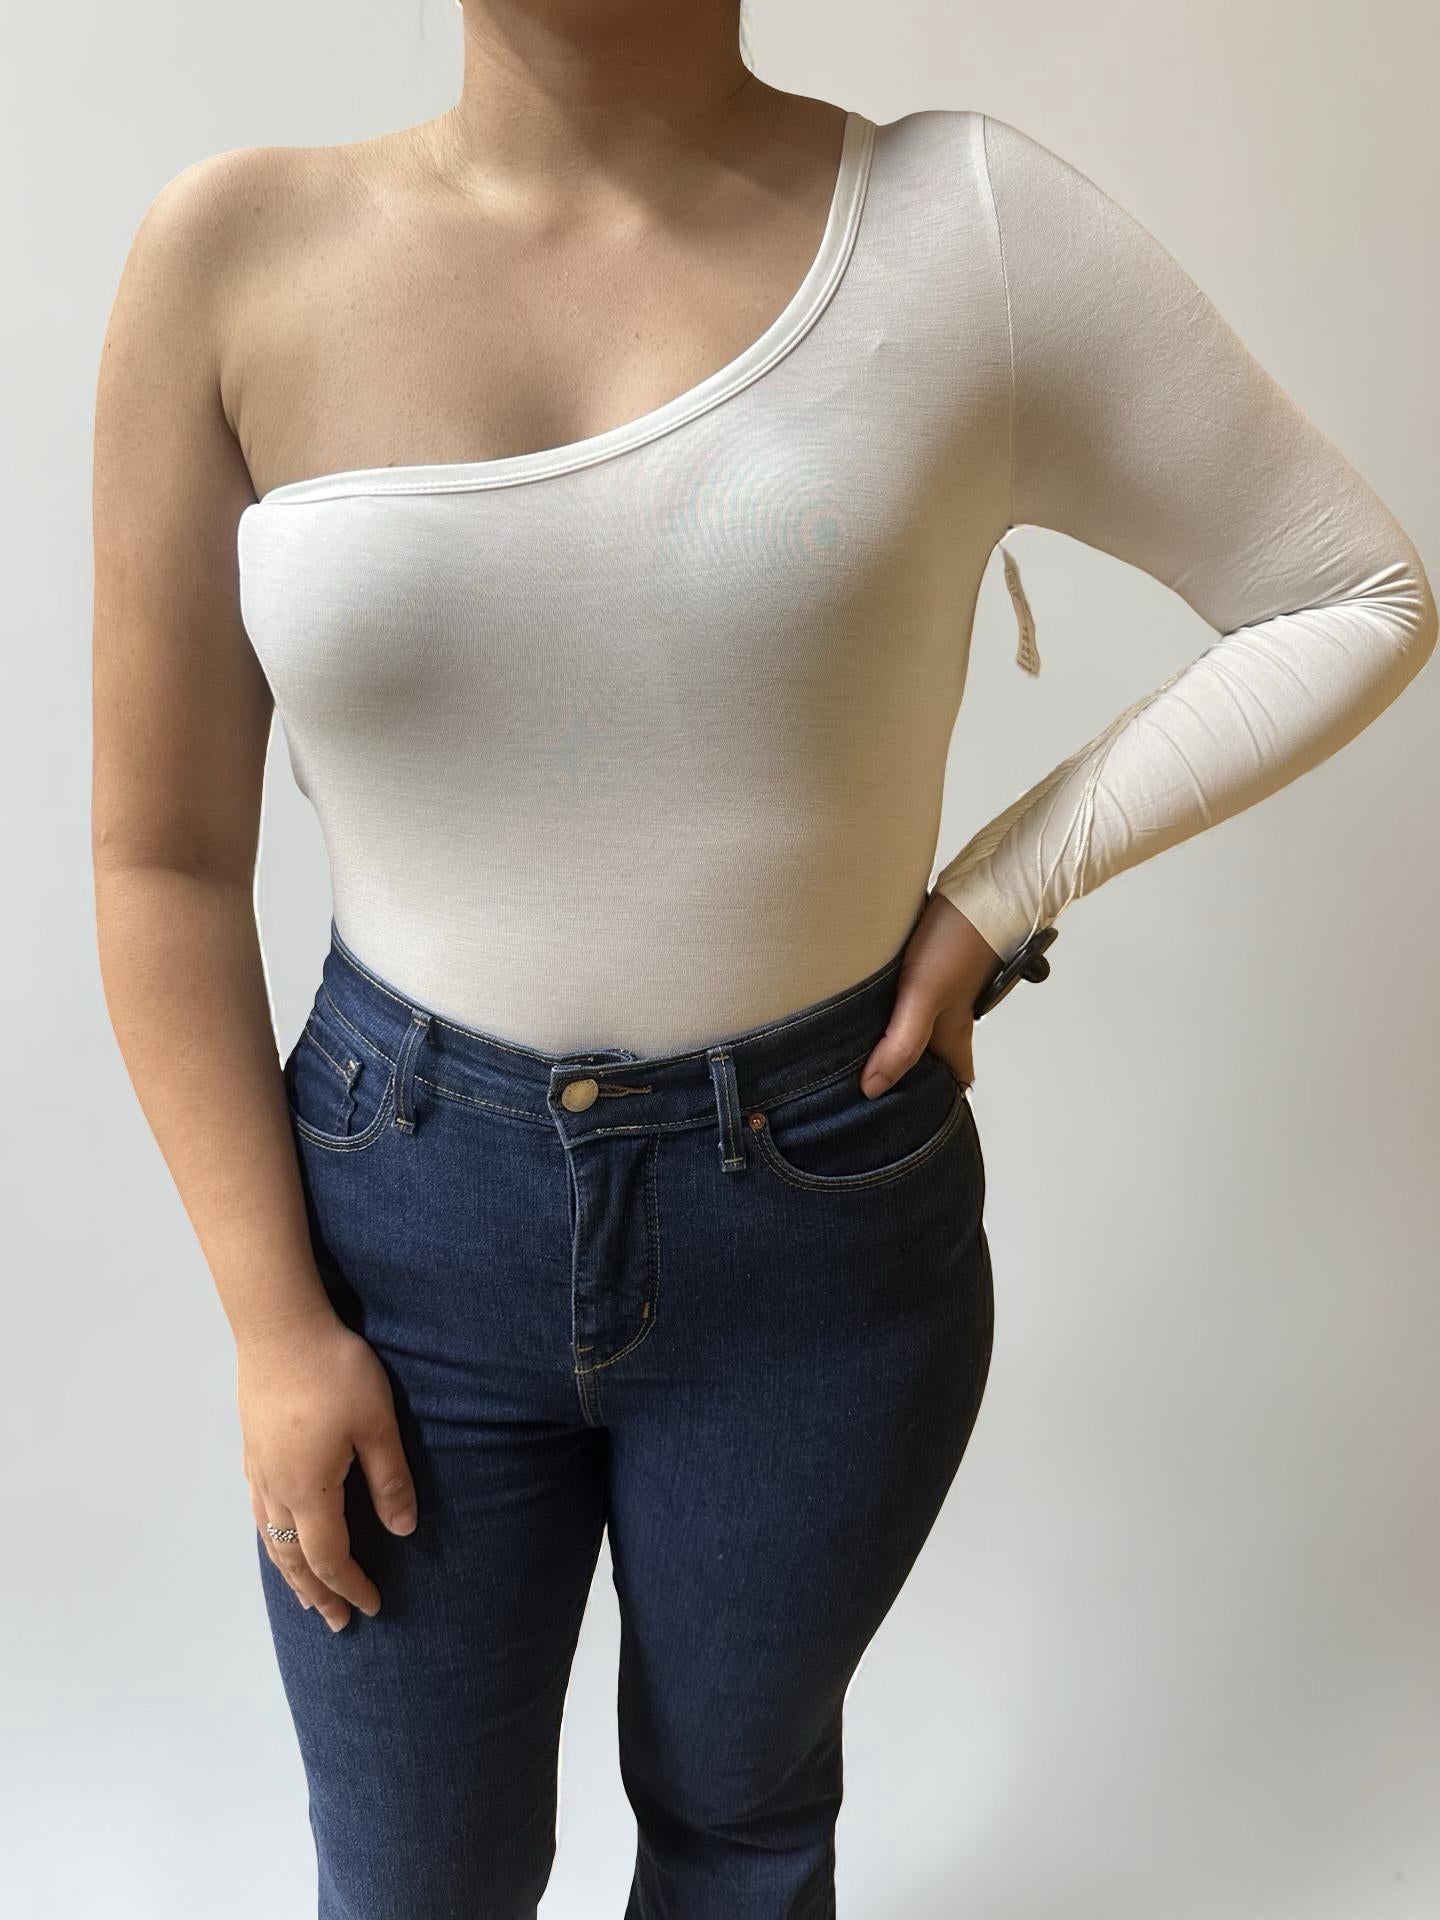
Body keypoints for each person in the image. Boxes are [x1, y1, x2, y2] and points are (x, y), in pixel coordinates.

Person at [90, 4, 1434, 1915]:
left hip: (815, 1222)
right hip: (396, 1232)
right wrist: (271, 1324)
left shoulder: (962, 227)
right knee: (410, 1879)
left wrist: (1001, 892)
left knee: (742, 1837)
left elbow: (1349, 589)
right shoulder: (230, 256)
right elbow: (158, 859)